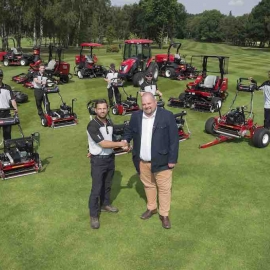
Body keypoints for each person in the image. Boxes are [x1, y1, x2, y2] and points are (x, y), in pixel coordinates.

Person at [123, 92, 179, 229]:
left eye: (149, 103)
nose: (147, 106)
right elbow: (129, 131)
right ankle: (152, 208)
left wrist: (172, 159)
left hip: (163, 161)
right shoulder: (136, 117)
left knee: (164, 189)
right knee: (148, 186)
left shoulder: (167, 116)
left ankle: (164, 214)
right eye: (144, 104)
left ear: (155, 102)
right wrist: (125, 140)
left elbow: (174, 140)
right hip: (142, 161)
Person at [87, 99, 128, 229]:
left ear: (108, 108)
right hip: (98, 161)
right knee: (96, 188)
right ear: (95, 110)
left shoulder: (109, 122)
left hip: (110, 158)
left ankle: (105, 204)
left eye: (104, 108)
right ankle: (93, 215)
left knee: (108, 184)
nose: (102, 111)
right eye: (99, 109)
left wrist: (125, 145)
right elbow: (103, 143)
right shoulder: (92, 125)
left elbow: (111, 139)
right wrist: (121, 144)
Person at [0, 69, 18, 140]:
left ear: (2, 77)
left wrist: (15, 108)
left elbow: (12, 99)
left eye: (0, 76)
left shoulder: (7, 87)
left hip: (7, 113)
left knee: (7, 134)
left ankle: (7, 150)